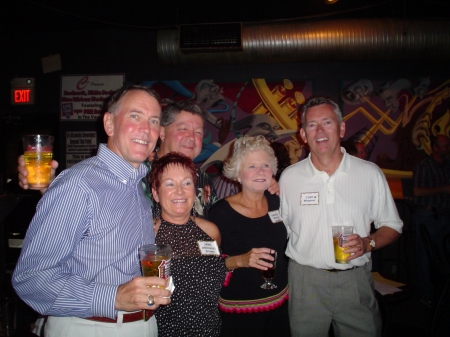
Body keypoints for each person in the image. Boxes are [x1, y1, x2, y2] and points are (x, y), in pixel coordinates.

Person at [12, 85, 172, 337]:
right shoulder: (78, 184)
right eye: (135, 116)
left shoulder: (137, 185)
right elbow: (31, 279)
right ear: (109, 124)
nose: (146, 129)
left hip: (142, 324)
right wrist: (114, 297)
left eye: (153, 120)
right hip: (90, 327)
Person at [279, 96, 402, 337]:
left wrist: (368, 243)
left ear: (342, 128)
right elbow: (279, 228)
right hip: (305, 282)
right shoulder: (289, 178)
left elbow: (393, 225)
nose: (320, 131)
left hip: (354, 282)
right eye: (312, 125)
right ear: (303, 134)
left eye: (327, 122)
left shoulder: (369, 173)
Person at [209, 135, 290, 337]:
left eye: (265, 165)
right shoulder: (220, 212)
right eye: (252, 166)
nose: (261, 171)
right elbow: (206, 263)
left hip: (280, 303)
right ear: (237, 174)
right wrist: (240, 260)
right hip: (240, 310)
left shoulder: (278, 202)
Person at [149, 152, 226, 336]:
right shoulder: (147, 236)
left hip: (211, 330)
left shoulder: (210, 231)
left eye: (187, 183)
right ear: (155, 193)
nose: (180, 191)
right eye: (170, 184)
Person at [412, 134, 450, 306]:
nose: (447, 149)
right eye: (444, 146)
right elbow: (417, 192)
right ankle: (426, 296)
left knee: (444, 258)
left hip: (445, 215)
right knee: (426, 259)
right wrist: (443, 189)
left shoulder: (447, 166)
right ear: (434, 148)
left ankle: (442, 294)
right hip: (427, 216)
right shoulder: (424, 165)